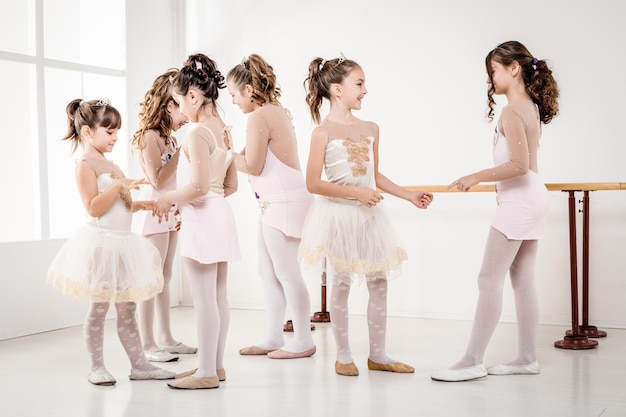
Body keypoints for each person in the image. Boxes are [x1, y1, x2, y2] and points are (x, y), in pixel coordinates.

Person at [431, 41, 560, 382]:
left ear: (513, 68)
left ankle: (473, 360)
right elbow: (528, 166)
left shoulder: (512, 110)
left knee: (488, 278)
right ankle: (526, 358)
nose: (490, 78)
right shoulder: (527, 106)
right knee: (521, 280)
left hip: (521, 201)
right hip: (531, 197)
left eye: (494, 70)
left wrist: (475, 177)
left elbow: (518, 164)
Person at [299, 54, 433, 376]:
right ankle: (343, 355)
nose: (365, 90)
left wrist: (409, 196)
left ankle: (379, 355)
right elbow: (313, 183)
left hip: (370, 217)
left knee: (379, 282)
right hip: (339, 217)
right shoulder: (323, 132)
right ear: (336, 90)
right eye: (359, 84)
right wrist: (356, 193)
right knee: (341, 284)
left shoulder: (371, 128)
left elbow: (375, 176)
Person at [47, 98, 176, 385]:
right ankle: (96, 367)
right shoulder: (85, 165)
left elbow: (121, 206)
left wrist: (141, 205)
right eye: (109, 131)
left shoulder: (111, 163)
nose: (116, 137)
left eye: (117, 131)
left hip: (122, 244)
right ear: (87, 132)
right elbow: (93, 207)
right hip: (102, 245)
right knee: (100, 306)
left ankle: (140, 365)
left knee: (127, 308)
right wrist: (119, 184)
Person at [153, 53, 240, 390]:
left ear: (193, 95)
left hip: (203, 219)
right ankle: (214, 366)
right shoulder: (225, 131)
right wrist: (198, 202)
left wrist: (168, 198)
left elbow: (199, 186)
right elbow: (228, 186)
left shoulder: (197, 133)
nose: (180, 109)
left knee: (205, 298)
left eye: (179, 101)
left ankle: (205, 372)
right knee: (218, 295)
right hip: (219, 214)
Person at [225, 54, 316, 359]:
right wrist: (233, 154)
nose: (234, 101)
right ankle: (273, 336)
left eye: (234, 95)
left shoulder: (259, 117)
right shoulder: (273, 111)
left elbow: (251, 164)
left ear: (249, 90)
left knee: (287, 272)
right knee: (269, 271)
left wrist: (223, 155)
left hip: (284, 203)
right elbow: (255, 159)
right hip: (276, 203)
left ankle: (303, 340)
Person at [131, 69, 197, 363]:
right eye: (181, 108)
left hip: (168, 211)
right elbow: (157, 180)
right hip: (152, 213)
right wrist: (182, 153)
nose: (186, 116)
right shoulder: (149, 137)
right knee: (150, 278)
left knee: (165, 277)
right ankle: (147, 343)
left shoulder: (168, 137)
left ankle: (166, 337)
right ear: (169, 105)